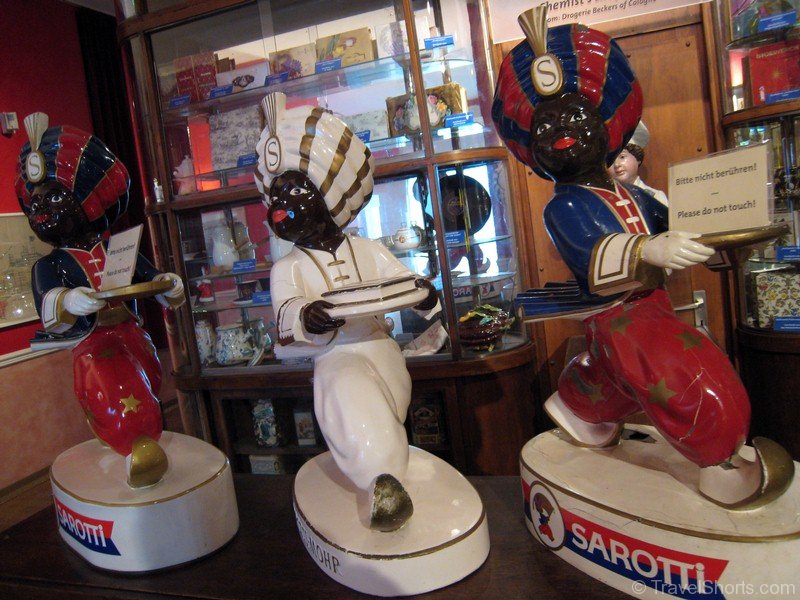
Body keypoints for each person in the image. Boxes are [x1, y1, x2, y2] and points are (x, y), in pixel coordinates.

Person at [492, 8, 793, 508]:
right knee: (682, 370)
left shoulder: (633, 194)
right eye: (544, 126)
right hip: (620, 314)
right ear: (532, 151)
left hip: (650, 305)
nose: (560, 130)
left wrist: (720, 230)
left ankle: (580, 403)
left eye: (576, 118)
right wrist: (649, 248)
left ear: (609, 128)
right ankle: (719, 461)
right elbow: (591, 255)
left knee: (627, 373)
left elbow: (683, 222)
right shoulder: (565, 206)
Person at [254, 93, 439, 531]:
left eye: (295, 191)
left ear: (329, 196)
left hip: (385, 352)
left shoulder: (368, 249)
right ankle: (383, 486)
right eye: (275, 195)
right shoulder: (287, 267)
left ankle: (389, 471)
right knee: (350, 396)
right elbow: (287, 311)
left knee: (386, 414)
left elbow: (407, 284)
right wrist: (307, 317)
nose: (280, 204)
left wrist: (424, 297)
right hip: (336, 355)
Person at [16, 113, 185, 488]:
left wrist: (169, 285)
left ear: (87, 201)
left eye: (54, 197)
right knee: (115, 390)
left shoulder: (118, 249)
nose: (41, 210)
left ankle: (145, 440)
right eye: (35, 203)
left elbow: (150, 278)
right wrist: (67, 300)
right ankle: (138, 449)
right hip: (94, 344)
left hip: (133, 337)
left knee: (147, 386)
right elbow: (49, 301)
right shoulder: (49, 265)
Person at [609, 121, 669, 206]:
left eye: (622, 157)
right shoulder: (606, 200)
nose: (617, 165)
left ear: (637, 158)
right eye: (611, 160)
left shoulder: (655, 197)